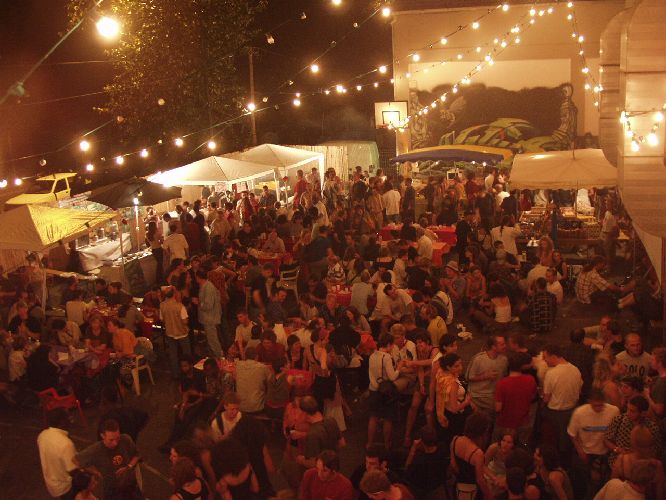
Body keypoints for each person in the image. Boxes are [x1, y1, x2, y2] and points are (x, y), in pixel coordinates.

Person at [567, 389, 621, 498]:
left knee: (600, 484)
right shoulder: (579, 413)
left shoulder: (614, 411)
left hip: (604, 453)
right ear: (590, 402)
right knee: (583, 484)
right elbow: (572, 434)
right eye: (595, 406)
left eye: (601, 405)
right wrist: (580, 450)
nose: (598, 408)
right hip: (586, 451)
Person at [75, 419, 142, 499]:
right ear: (102, 436)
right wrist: (96, 472)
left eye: (117, 438)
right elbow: (76, 460)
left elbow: (136, 455)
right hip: (112, 491)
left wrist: (129, 467)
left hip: (131, 485)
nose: (115, 443)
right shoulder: (96, 450)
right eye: (111, 440)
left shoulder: (125, 439)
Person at [541, 343, 583, 458]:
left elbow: (546, 398)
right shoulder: (575, 369)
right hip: (572, 411)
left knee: (552, 443)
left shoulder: (551, 373)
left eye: (545, 357)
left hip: (555, 414)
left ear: (553, 356)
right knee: (567, 443)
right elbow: (579, 391)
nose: (544, 360)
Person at [367, 334, 404, 449]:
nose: (393, 347)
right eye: (392, 345)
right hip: (385, 392)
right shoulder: (387, 357)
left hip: (373, 389)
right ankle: (387, 444)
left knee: (373, 417)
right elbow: (392, 377)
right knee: (388, 417)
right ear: (388, 344)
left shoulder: (372, 356)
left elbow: (371, 374)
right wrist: (399, 368)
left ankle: (369, 443)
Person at [604, 396, 661, 467]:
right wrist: (617, 449)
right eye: (628, 409)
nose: (628, 413)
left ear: (643, 413)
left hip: (642, 466)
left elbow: (657, 450)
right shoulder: (619, 420)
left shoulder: (652, 428)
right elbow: (606, 440)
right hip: (618, 462)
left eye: (632, 411)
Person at [494, 352, 537, 445]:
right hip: (524, 422)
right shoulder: (530, 379)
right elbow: (532, 397)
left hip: (505, 423)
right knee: (522, 446)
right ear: (522, 366)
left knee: (503, 447)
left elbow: (498, 408)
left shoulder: (502, 383)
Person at [450, 412, 492, 500]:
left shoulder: (455, 439)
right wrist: (488, 495)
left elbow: (453, 465)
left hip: (458, 486)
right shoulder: (478, 453)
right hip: (473, 491)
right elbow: (480, 480)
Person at [37, 409, 77, 499]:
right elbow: (72, 470)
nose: (71, 421)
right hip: (67, 486)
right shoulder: (65, 444)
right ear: (62, 422)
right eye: (69, 418)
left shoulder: (42, 435)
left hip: (53, 484)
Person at [466, 335, 508, 415]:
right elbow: (469, 377)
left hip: (494, 394)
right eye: (502, 344)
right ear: (493, 347)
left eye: (504, 343)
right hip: (478, 395)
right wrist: (485, 376)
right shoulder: (478, 359)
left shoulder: (504, 360)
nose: (505, 346)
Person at [161, 286, 191, 378]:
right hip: (182, 333)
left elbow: (162, 319)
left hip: (170, 333)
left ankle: (175, 373)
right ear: (174, 294)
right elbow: (185, 321)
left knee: (173, 354)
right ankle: (189, 372)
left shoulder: (162, 305)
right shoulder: (180, 306)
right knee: (186, 354)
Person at [195, 269, 222, 358]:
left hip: (210, 319)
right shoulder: (204, 286)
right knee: (211, 339)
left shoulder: (208, 287)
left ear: (198, 277)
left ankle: (219, 358)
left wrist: (198, 303)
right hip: (208, 318)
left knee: (213, 340)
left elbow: (208, 305)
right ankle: (215, 357)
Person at [235, 347, 270, 413]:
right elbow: (270, 382)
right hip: (257, 407)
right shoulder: (262, 367)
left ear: (245, 356)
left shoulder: (238, 365)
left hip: (240, 406)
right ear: (257, 357)